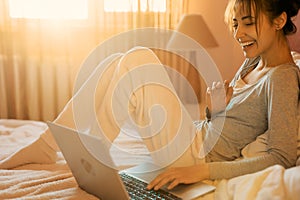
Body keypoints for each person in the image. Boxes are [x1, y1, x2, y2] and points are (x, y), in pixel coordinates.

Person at [146, 0, 300, 190]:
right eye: (236, 24)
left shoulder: (282, 77)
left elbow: (282, 157)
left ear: (279, 21)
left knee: (139, 60)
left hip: (196, 154)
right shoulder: (252, 62)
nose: (237, 33)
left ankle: (98, 162)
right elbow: (228, 128)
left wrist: (202, 170)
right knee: (127, 63)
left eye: (248, 23)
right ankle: (99, 167)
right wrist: (216, 110)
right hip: (191, 134)